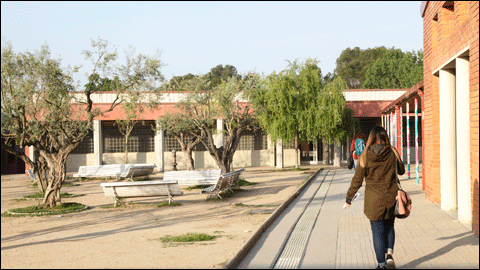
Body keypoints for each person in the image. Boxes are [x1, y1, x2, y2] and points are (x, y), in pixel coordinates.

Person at [345, 126, 405, 269]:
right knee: (390, 226)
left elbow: (357, 180)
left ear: (370, 138)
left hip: (373, 200)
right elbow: (401, 171)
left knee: (377, 232)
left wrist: (349, 198)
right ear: (385, 137)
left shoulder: (365, 155)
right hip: (391, 197)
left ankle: (381, 264)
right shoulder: (392, 151)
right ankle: (389, 253)